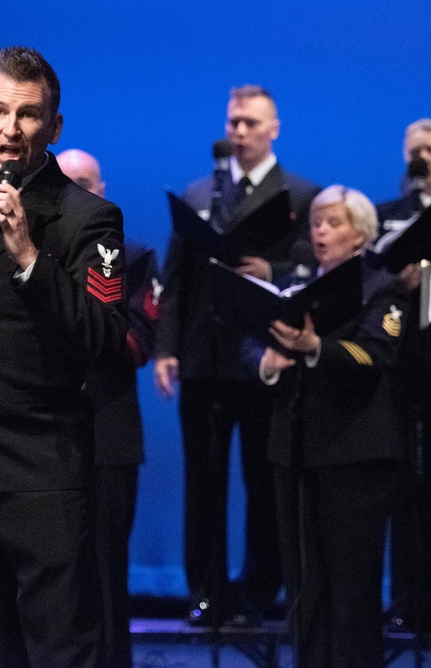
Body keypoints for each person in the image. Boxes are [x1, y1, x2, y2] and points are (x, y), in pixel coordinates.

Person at [0, 46, 128, 666]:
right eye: (1, 111)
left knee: (62, 651)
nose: (12, 129)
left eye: (29, 115)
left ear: (54, 128)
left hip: (40, 471)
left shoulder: (87, 216)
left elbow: (105, 337)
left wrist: (30, 258)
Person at [154, 85, 321, 626]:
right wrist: (166, 349)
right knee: (203, 480)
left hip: (265, 360)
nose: (239, 132)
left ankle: (258, 590)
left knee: (262, 478)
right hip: (204, 359)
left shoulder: (299, 195)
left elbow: (317, 269)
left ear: (274, 129)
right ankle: (206, 591)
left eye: (250, 122)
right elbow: (175, 279)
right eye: (233, 122)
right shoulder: (200, 193)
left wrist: (273, 272)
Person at [250, 185, 409, 667]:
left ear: (360, 233)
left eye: (334, 223)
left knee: (351, 586)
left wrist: (314, 348)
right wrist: (271, 362)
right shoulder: (293, 290)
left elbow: (374, 354)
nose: (320, 232)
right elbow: (252, 348)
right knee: (305, 582)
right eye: (317, 222)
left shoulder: (381, 286)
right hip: (295, 449)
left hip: (355, 452)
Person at [57, 148, 160, 668]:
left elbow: (139, 343)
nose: (76, 191)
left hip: (108, 437)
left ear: (102, 191)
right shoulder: (32, 256)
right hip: (43, 438)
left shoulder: (135, 258)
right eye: (65, 182)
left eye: (85, 183)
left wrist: (79, 330)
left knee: (104, 572)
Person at [375, 118, 431, 634]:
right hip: (398, 368)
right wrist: (397, 280)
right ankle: (405, 597)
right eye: (414, 150)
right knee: (400, 491)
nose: (421, 159)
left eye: (429, 151)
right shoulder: (388, 217)